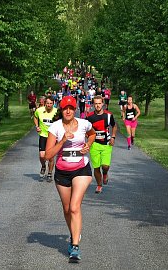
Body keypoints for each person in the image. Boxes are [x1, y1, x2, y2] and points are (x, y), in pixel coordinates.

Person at [45, 95, 96, 263]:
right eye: (65, 108)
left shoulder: (83, 123)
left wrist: (88, 144)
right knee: (67, 209)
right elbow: (48, 155)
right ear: (61, 109)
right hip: (62, 171)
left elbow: (92, 134)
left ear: (75, 109)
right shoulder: (55, 127)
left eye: (71, 108)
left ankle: (75, 246)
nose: (68, 111)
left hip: (81, 169)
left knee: (74, 207)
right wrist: (63, 141)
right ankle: (74, 232)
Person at [85, 95, 116, 194]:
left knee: (105, 166)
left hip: (106, 144)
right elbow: (85, 129)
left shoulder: (108, 115)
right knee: (96, 167)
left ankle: (105, 174)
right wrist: (88, 139)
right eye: (96, 104)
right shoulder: (89, 117)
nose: (98, 106)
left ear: (102, 104)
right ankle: (99, 185)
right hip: (94, 145)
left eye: (99, 103)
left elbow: (114, 126)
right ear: (93, 104)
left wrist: (113, 137)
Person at [33, 96, 57, 182]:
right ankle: (43, 166)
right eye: (47, 103)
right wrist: (37, 126)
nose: (49, 105)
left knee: (50, 157)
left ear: (53, 103)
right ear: (45, 103)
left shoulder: (56, 111)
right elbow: (35, 117)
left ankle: (50, 173)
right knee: (42, 155)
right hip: (43, 135)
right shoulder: (39, 110)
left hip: (53, 136)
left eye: (51, 103)